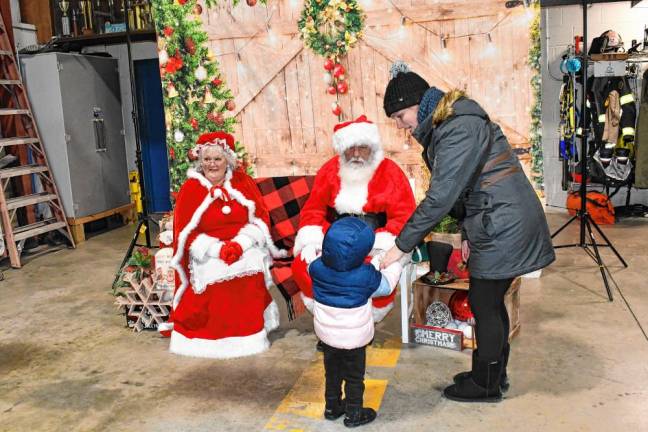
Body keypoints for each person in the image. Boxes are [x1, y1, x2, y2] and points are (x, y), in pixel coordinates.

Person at [380, 62, 556, 402]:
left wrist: (400, 247)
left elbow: (441, 198)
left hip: (503, 223)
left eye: (401, 116)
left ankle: (486, 383)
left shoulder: (457, 128)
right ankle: (493, 373)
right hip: (496, 220)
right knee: (488, 299)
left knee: (483, 301)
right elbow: (465, 188)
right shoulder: (452, 124)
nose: (401, 126)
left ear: (419, 103)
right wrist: (466, 234)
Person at [159, 131, 286, 359]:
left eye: (217, 159)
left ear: (227, 159)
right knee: (212, 269)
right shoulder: (190, 188)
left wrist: (240, 244)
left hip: (242, 244)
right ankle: (210, 339)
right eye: (207, 159)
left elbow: (260, 218)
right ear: (200, 160)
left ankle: (250, 335)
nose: (212, 164)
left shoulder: (242, 182)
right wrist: (217, 249)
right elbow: (185, 232)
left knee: (251, 263)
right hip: (207, 248)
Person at [292, 115, 416, 322]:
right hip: (334, 238)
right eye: (351, 148)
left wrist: (381, 245)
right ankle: (328, 319)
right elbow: (313, 210)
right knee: (302, 266)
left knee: (372, 273)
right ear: (342, 149)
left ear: (372, 147)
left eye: (363, 148)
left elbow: (405, 215)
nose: (356, 154)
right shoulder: (330, 170)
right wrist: (314, 240)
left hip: (375, 238)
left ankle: (364, 321)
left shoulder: (390, 171)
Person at [309, 217, 404, 428]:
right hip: (353, 338)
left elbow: (313, 267)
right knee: (354, 376)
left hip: (327, 335)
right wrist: (392, 264)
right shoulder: (364, 275)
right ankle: (354, 412)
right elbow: (386, 286)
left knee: (332, 372)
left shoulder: (317, 267)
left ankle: (332, 407)